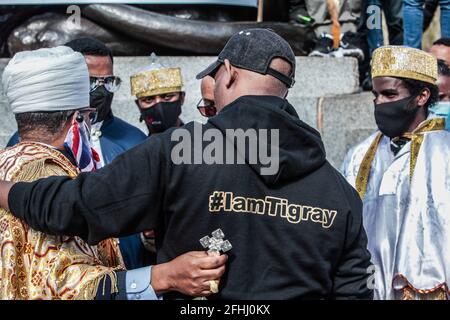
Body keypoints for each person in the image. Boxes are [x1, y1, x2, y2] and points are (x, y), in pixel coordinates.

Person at [0, 28, 373, 300]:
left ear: (227, 72)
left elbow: (76, 208)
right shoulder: (337, 189)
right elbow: (355, 290)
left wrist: (7, 190)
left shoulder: (181, 151)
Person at [0, 46, 227, 300]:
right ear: (77, 121)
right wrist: (166, 276)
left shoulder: (5, 162)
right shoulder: (47, 171)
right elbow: (65, 285)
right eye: (88, 116)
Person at [342, 46, 450, 300]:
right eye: (376, 95)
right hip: (368, 287)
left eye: (390, 94)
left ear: (422, 96)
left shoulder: (445, 153)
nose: (379, 102)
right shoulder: (358, 155)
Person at [131, 53, 184, 136]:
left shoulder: (199, 143)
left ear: (182, 98)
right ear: (138, 105)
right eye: (148, 99)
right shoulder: (135, 146)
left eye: (167, 96)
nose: (159, 104)